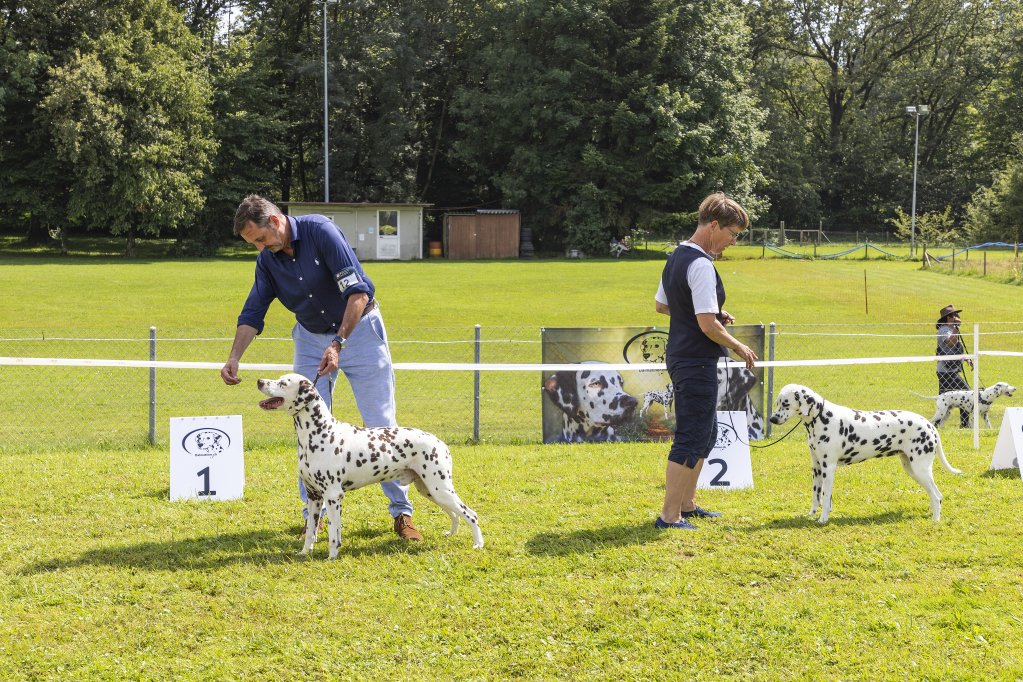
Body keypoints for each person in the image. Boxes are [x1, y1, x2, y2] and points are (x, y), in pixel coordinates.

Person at [220, 195, 422, 541]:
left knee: (381, 423)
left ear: (276, 222)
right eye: (253, 243)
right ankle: (313, 518)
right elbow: (253, 310)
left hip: (359, 331)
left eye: (260, 239)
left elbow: (357, 294)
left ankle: (402, 514)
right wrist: (235, 356)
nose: (259, 248)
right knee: (307, 428)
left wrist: (338, 343)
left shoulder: (322, 232)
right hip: (311, 338)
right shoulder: (267, 261)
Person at [654, 193, 757, 530]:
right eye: (733, 234)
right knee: (691, 436)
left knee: (706, 433)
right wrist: (738, 345)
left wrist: (709, 310)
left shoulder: (677, 256)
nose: (733, 242)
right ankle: (669, 516)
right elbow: (706, 326)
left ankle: (686, 504)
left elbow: (663, 305)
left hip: (682, 356)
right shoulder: (700, 264)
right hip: (695, 360)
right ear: (714, 225)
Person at [935, 304, 973, 428]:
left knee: (944, 400)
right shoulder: (944, 330)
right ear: (948, 318)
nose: (957, 316)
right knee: (967, 394)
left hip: (949, 371)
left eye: (957, 314)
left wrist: (966, 358)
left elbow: (955, 348)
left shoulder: (950, 330)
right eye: (954, 315)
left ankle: (937, 425)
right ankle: (965, 424)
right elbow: (950, 343)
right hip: (946, 372)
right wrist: (956, 327)